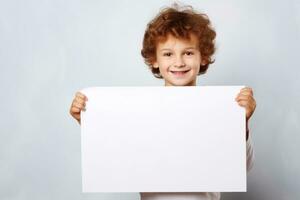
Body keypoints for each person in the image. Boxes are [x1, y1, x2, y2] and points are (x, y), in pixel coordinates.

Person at [69, 3, 256, 200]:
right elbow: (117, 152)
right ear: (154, 60)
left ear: (203, 57)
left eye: (188, 52)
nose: (179, 62)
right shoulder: (141, 113)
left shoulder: (218, 109)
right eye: (168, 54)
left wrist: (240, 123)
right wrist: (89, 121)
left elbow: (243, 166)